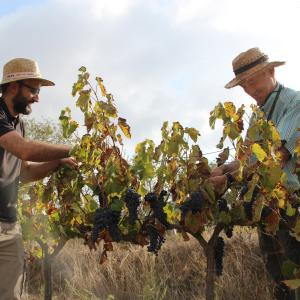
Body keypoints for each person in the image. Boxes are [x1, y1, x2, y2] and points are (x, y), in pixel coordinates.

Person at [209, 47, 300, 299]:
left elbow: (276, 157)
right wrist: (226, 168)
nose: (248, 89)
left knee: (295, 273)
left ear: (271, 71)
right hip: (265, 208)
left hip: (291, 206)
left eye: (252, 80)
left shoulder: (295, 103)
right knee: (278, 278)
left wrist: (229, 179)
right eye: (243, 85)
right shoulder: (257, 116)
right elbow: (247, 160)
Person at [0, 58, 77, 300]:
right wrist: (74, 149)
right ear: (13, 86)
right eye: (33, 90)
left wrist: (57, 163)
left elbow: (25, 171)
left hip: (9, 226)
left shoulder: (18, 125)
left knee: (11, 295)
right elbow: (25, 150)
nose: (37, 98)